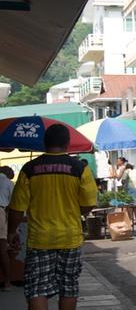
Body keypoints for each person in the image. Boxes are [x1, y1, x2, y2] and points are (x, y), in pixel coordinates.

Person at [7, 123, 98, 309]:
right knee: (68, 286)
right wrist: (75, 211)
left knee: (37, 289)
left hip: (40, 239)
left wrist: (11, 231)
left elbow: (17, 208)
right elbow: (89, 203)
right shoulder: (80, 168)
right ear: (67, 144)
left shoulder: (29, 169)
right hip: (70, 238)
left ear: (44, 143)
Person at [0, 165, 15, 292]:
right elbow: (14, 205)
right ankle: (7, 283)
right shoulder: (8, 183)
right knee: (2, 247)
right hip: (0, 211)